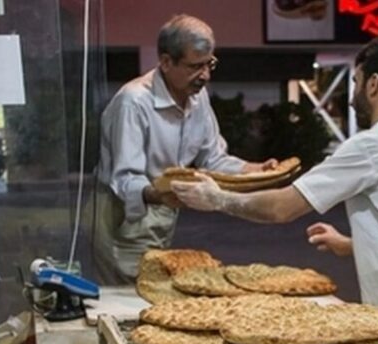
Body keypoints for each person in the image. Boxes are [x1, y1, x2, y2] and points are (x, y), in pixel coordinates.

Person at [172, 34, 378, 344]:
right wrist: (351, 243)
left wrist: (218, 198)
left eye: (357, 82)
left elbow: (282, 207)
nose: (352, 94)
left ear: (374, 84)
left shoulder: (372, 146)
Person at [95, 14, 276, 283]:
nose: (205, 75)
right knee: (130, 300)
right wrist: (162, 194)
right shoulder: (133, 103)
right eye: (195, 67)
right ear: (166, 62)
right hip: (126, 215)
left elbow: (212, 158)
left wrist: (255, 170)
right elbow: (124, 179)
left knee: (156, 292)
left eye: (210, 64)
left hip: (164, 207)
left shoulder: (197, 96)